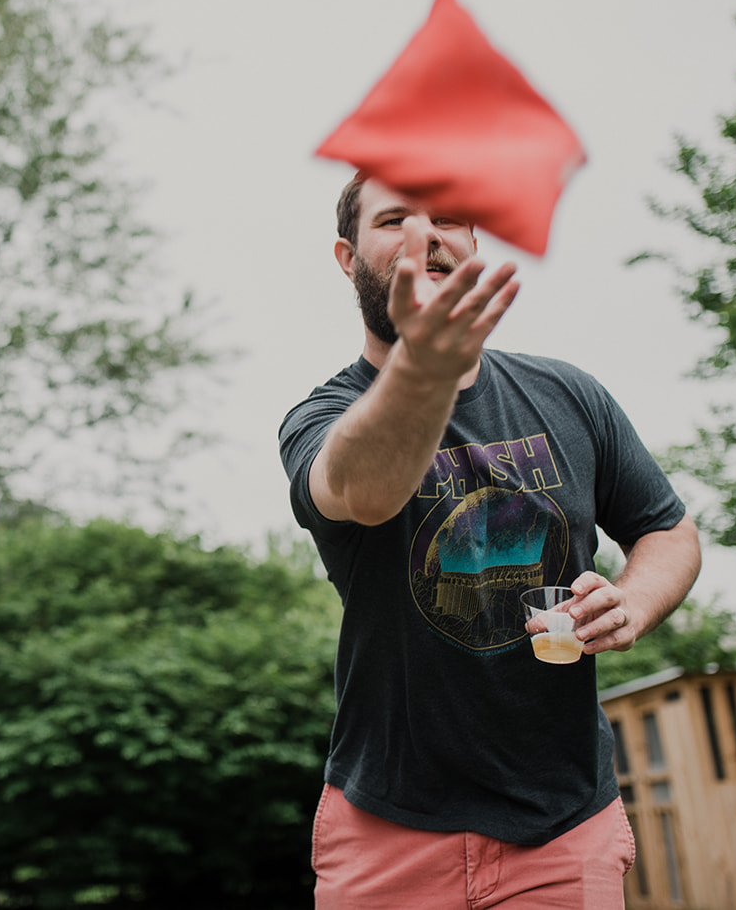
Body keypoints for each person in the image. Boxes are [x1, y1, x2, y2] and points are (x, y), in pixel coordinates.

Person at [278, 175, 701, 909]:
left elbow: (668, 528)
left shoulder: (571, 396)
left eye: (447, 218)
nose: (425, 235)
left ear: (474, 242)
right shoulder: (324, 417)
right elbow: (367, 492)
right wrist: (427, 362)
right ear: (348, 258)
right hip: (388, 828)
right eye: (394, 221)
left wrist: (631, 602)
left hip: (564, 825)